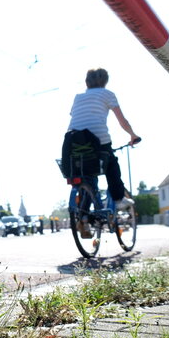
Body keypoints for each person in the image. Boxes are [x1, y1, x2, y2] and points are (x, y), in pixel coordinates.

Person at [63, 68, 140, 236]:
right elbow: (122, 121)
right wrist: (132, 135)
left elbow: (74, 114)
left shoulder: (78, 97)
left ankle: (83, 219)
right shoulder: (107, 94)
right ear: (105, 80)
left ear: (87, 81)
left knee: (88, 179)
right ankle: (119, 198)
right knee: (112, 164)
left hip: (73, 141)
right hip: (97, 139)